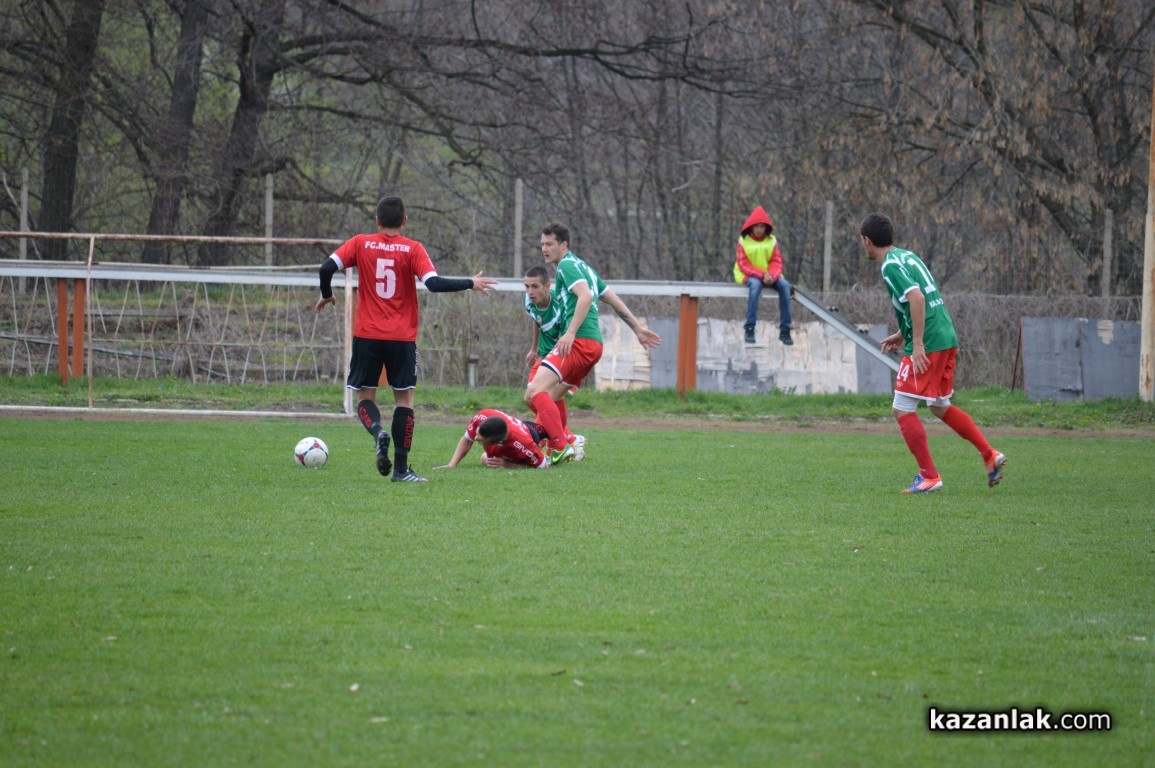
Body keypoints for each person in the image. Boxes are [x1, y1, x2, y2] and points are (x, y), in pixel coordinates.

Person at [315, 195, 498, 482]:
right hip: (401, 338)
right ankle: (400, 470)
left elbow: (326, 268)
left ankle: (378, 432)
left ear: (377, 221)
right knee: (404, 400)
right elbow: (433, 284)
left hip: (367, 335)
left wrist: (327, 295)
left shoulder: (360, 243)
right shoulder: (413, 248)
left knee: (365, 397)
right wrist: (470, 282)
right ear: (404, 221)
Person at [859, 212, 1006, 493]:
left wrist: (917, 344)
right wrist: (902, 333)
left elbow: (917, 298)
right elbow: (920, 299)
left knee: (902, 408)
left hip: (929, 343)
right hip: (945, 335)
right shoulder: (907, 256)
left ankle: (929, 476)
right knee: (939, 405)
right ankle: (989, 454)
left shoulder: (890, 266)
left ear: (867, 240)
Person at [524, 223, 661, 464]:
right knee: (549, 398)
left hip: (578, 342)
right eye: (542, 244)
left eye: (549, 244)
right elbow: (612, 299)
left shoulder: (566, 266)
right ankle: (565, 442)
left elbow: (586, 296)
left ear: (564, 244)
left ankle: (561, 444)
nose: (544, 249)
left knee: (533, 392)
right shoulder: (584, 267)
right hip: (593, 346)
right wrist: (637, 328)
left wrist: (570, 333)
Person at [733, 205, 793, 345]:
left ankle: (785, 330)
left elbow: (776, 261)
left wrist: (771, 275)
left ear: (766, 227)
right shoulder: (743, 241)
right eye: (757, 226)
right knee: (755, 286)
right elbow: (743, 264)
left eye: (762, 226)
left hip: (769, 275)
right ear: (751, 227)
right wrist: (763, 275)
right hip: (748, 274)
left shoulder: (772, 241)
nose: (759, 229)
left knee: (785, 286)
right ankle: (749, 327)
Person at [435, 408, 555, 470]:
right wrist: (452, 464)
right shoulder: (482, 416)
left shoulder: (523, 444)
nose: (475, 438)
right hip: (514, 427)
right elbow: (467, 439)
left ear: (497, 443)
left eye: (480, 441)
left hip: (529, 433)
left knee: (552, 432)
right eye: (477, 434)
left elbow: (543, 466)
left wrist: (508, 465)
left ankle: (552, 447)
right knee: (486, 459)